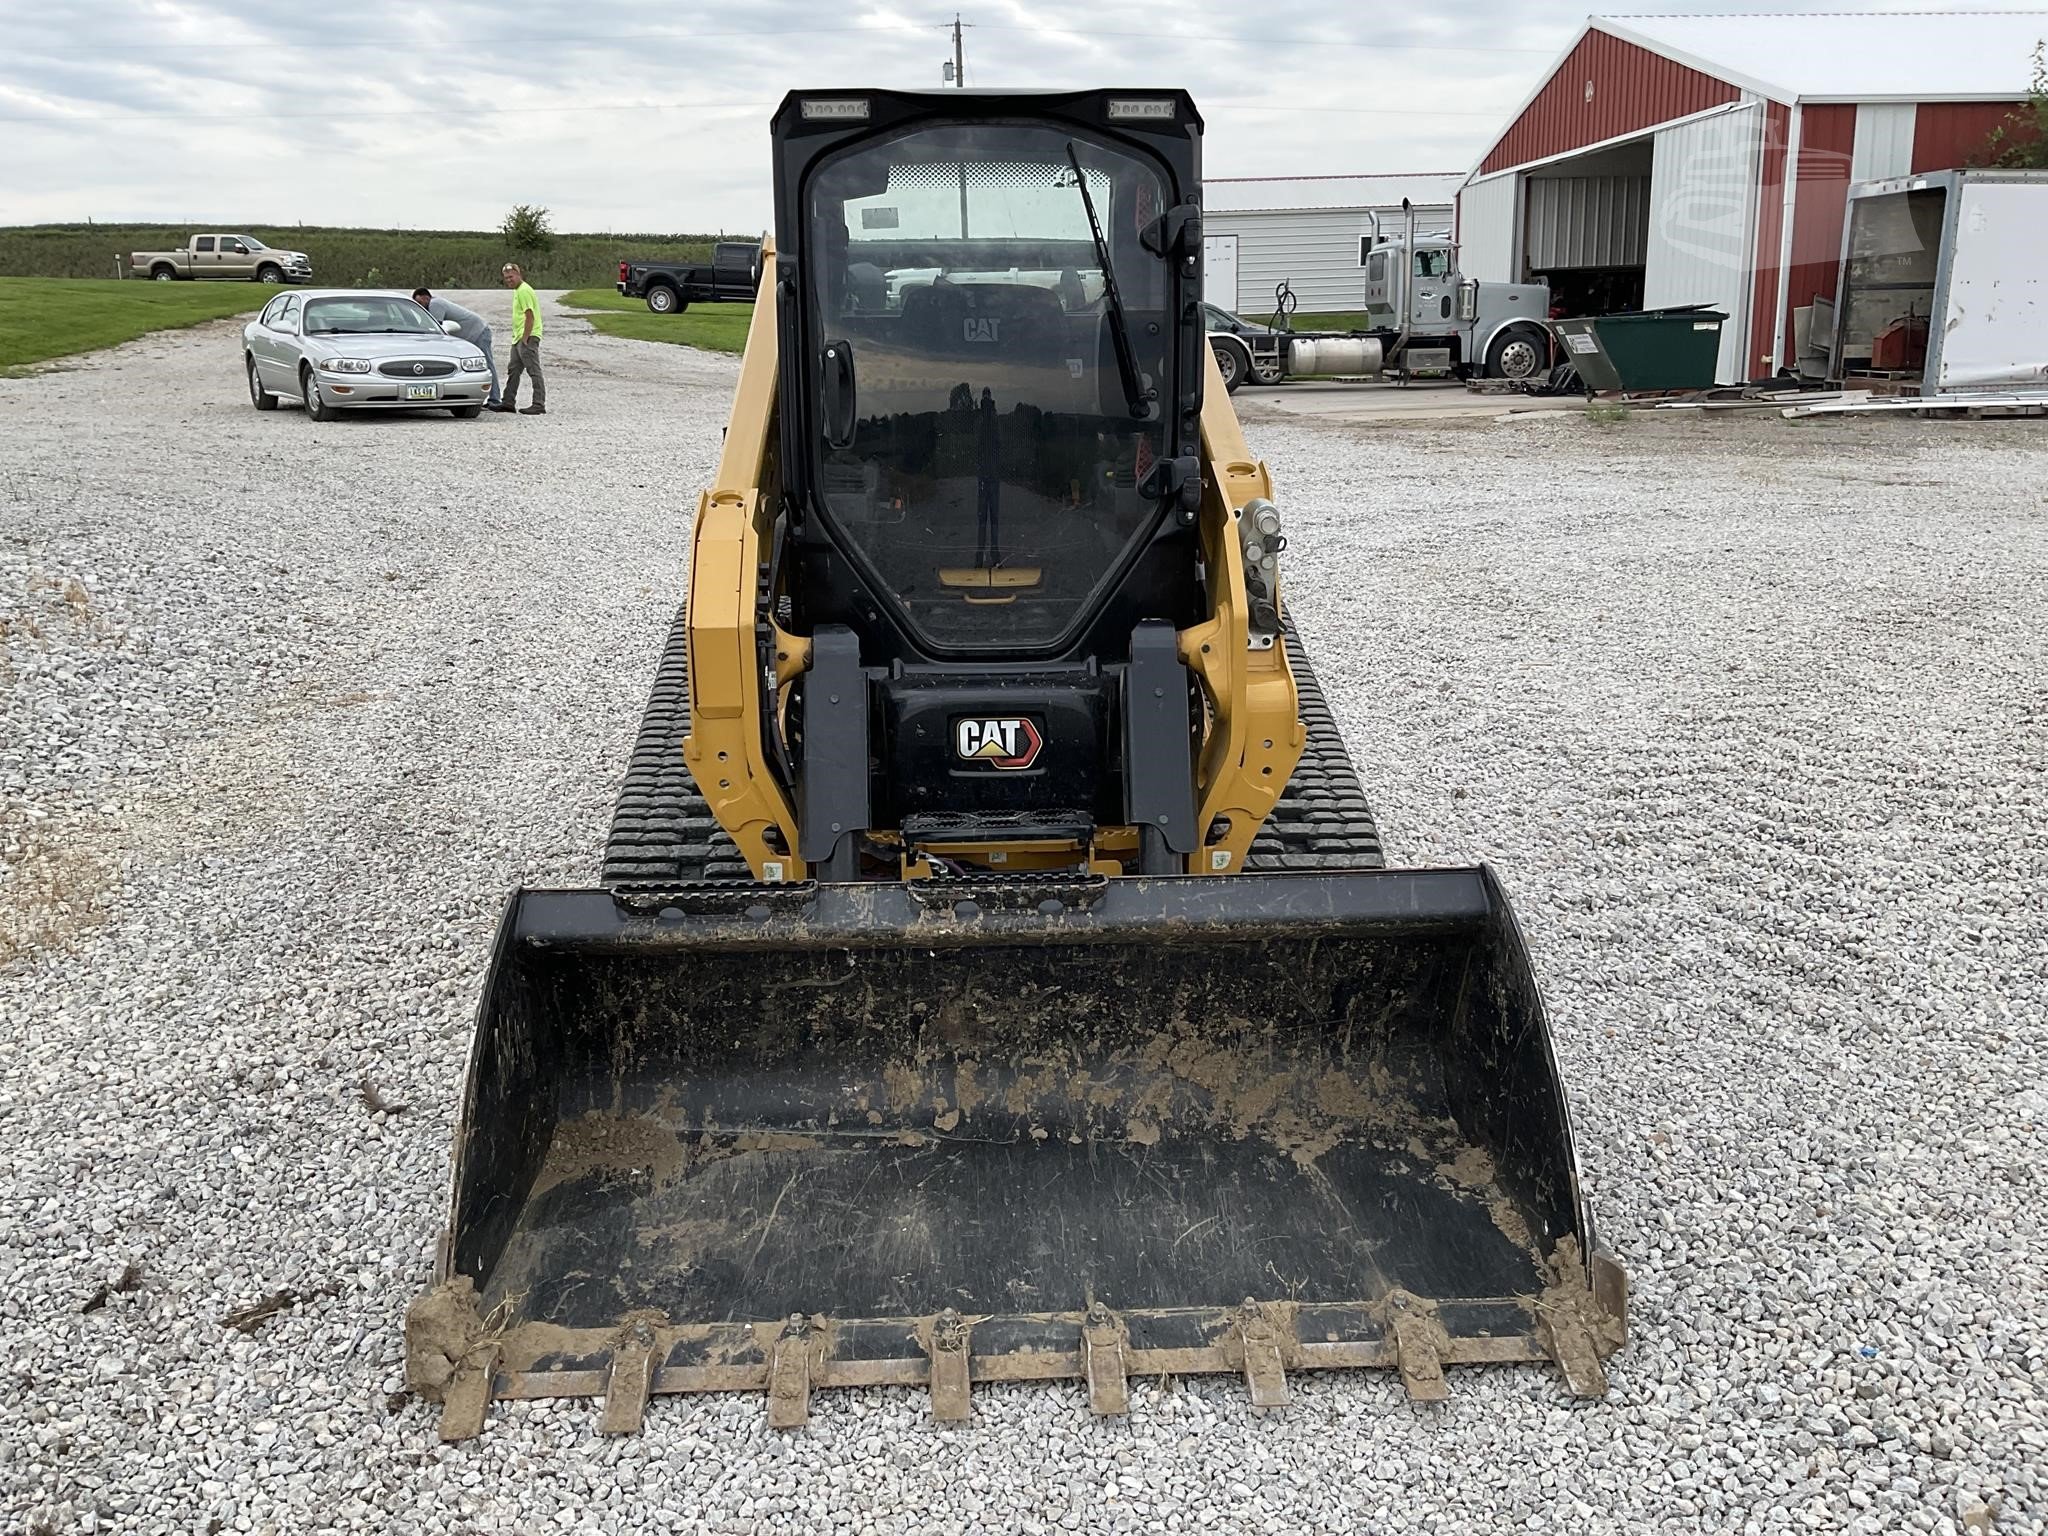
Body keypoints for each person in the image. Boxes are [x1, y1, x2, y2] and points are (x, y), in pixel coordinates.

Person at [412, 287, 499, 407]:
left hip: (479, 332)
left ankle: (495, 399)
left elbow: (433, 329)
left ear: (426, 298)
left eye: (420, 303)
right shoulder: (432, 307)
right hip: (470, 336)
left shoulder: (435, 304)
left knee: (487, 365)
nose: (420, 307)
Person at [494, 263, 545, 415]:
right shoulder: (517, 291)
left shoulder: (524, 291)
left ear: (518, 274)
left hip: (527, 337)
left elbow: (530, 316)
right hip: (518, 338)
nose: (509, 280)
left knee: (533, 370)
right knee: (513, 371)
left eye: (511, 276)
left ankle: (538, 403)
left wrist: (525, 338)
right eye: (506, 278)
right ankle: (508, 402)